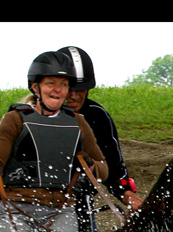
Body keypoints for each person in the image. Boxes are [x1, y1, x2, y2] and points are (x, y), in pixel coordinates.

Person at [0, 50, 109, 232]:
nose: (58, 90)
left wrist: (91, 166)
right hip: (16, 208)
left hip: (62, 210)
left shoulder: (78, 123)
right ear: (35, 87)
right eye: (51, 83)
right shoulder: (14, 119)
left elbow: (103, 169)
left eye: (63, 85)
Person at [57, 46, 142, 213]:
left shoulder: (97, 116)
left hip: (79, 201)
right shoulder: (23, 115)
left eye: (80, 89)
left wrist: (129, 196)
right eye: (69, 89)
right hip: (30, 200)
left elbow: (113, 167)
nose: (74, 96)